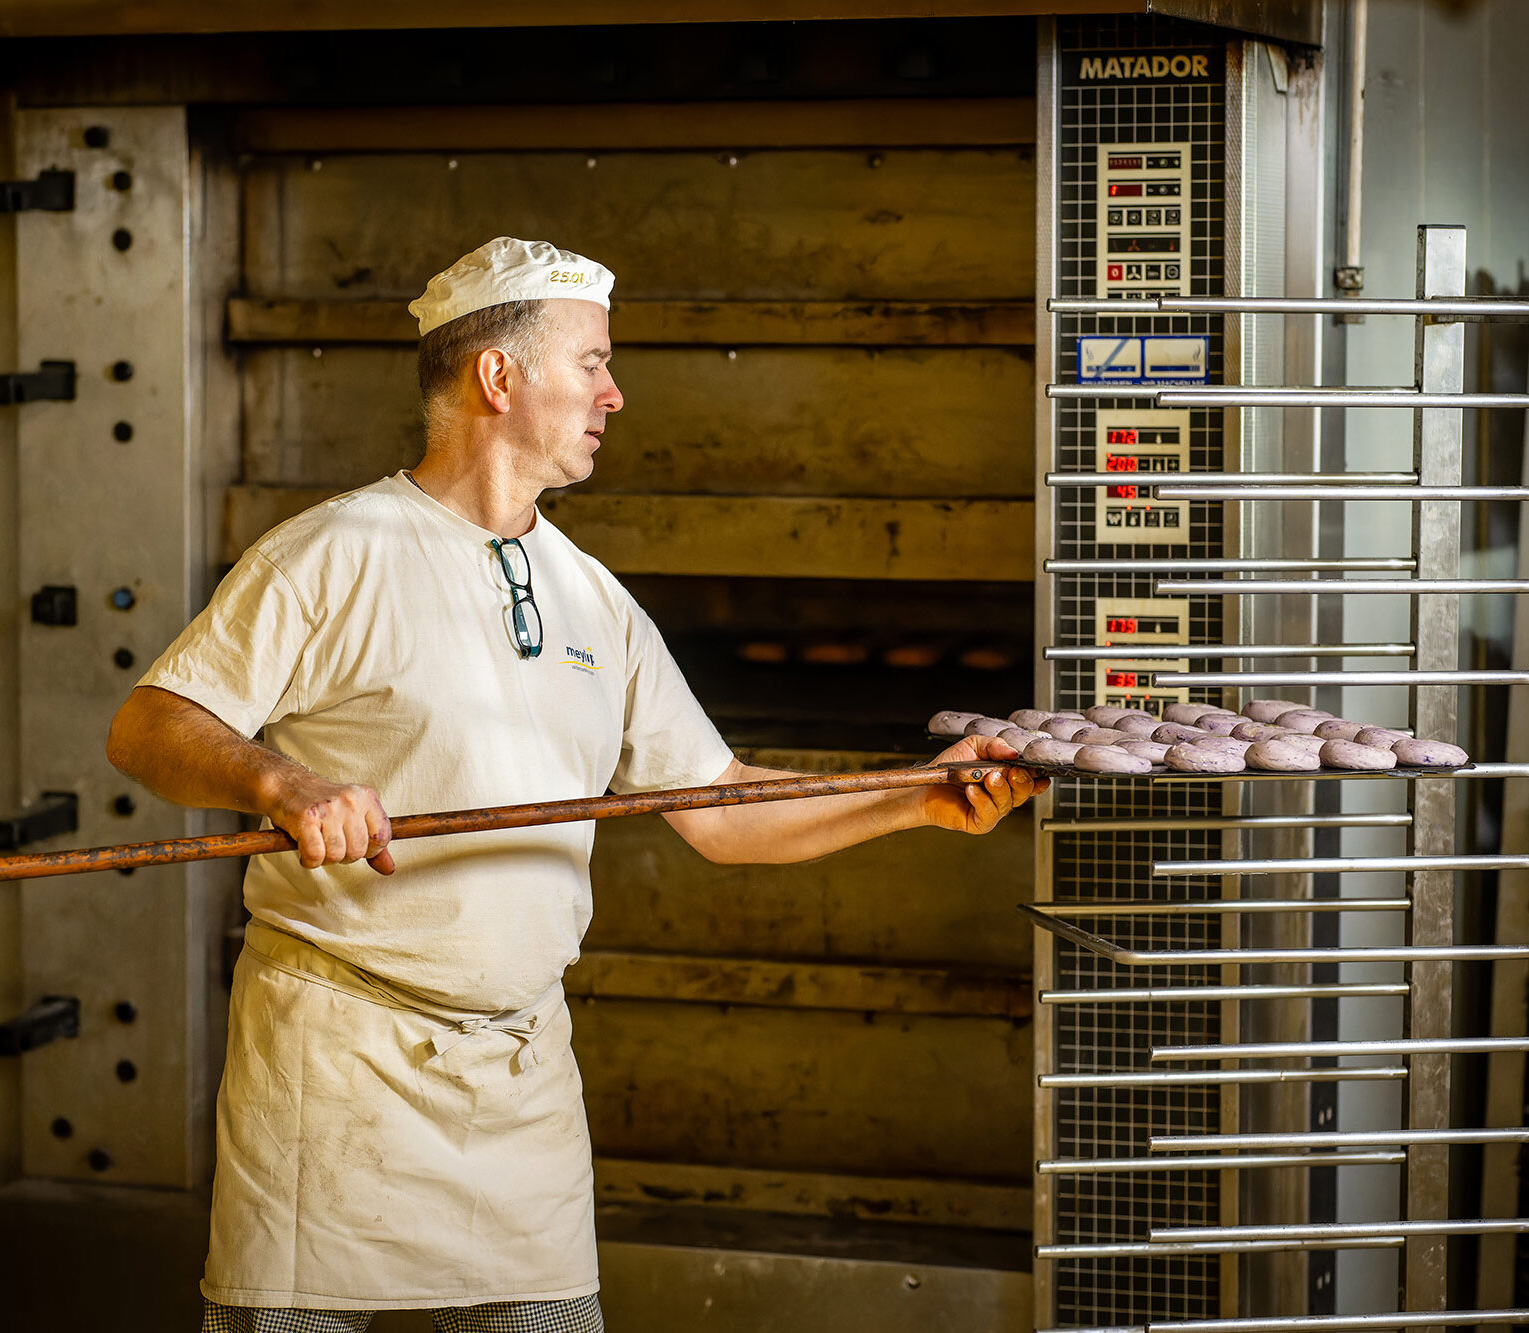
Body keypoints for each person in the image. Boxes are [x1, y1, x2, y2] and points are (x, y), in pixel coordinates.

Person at [105, 237, 1044, 1333]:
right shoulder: (332, 552)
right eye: (592, 362)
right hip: (337, 1069)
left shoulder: (591, 596)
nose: (615, 392)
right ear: (497, 378)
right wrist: (283, 781)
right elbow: (149, 723)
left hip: (520, 1083)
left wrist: (916, 796)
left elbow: (714, 802)